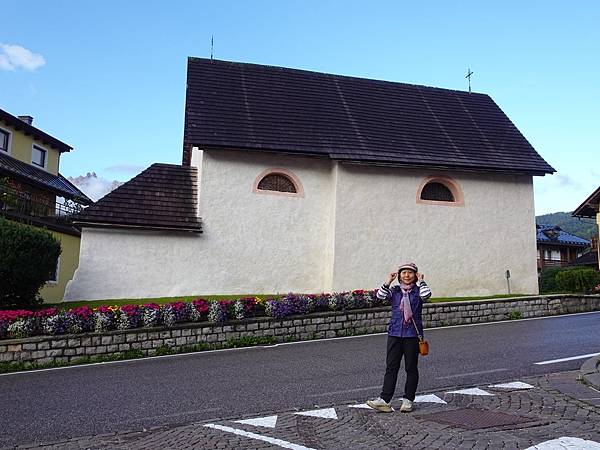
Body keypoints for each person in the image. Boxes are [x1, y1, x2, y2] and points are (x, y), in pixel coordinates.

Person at [366, 262, 431, 413]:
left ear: (415, 275)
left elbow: (426, 295)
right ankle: (385, 400)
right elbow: (380, 296)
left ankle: (408, 400)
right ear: (399, 275)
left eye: (410, 273)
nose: (406, 275)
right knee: (391, 367)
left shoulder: (418, 291)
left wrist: (422, 281)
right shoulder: (395, 291)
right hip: (395, 333)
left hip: (412, 335)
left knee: (411, 368)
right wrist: (388, 281)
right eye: (403, 273)